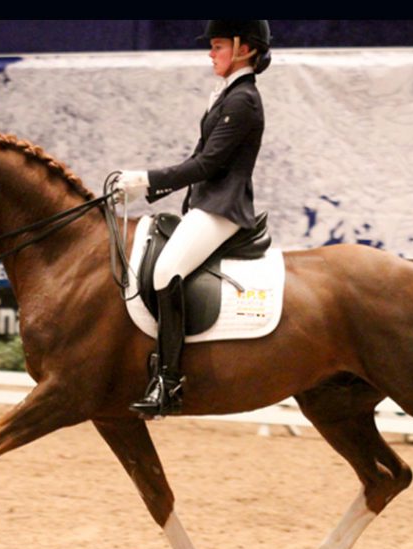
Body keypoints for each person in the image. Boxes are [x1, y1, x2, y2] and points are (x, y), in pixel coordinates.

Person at [115, 20, 272, 417]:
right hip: (205, 204)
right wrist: (148, 190)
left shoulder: (243, 100)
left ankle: (168, 381)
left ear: (245, 49)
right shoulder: (227, 95)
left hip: (223, 208)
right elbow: (198, 161)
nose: (210, 53)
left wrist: (146, 179)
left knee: (166, 271)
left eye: (218, 46)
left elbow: (207, 165)